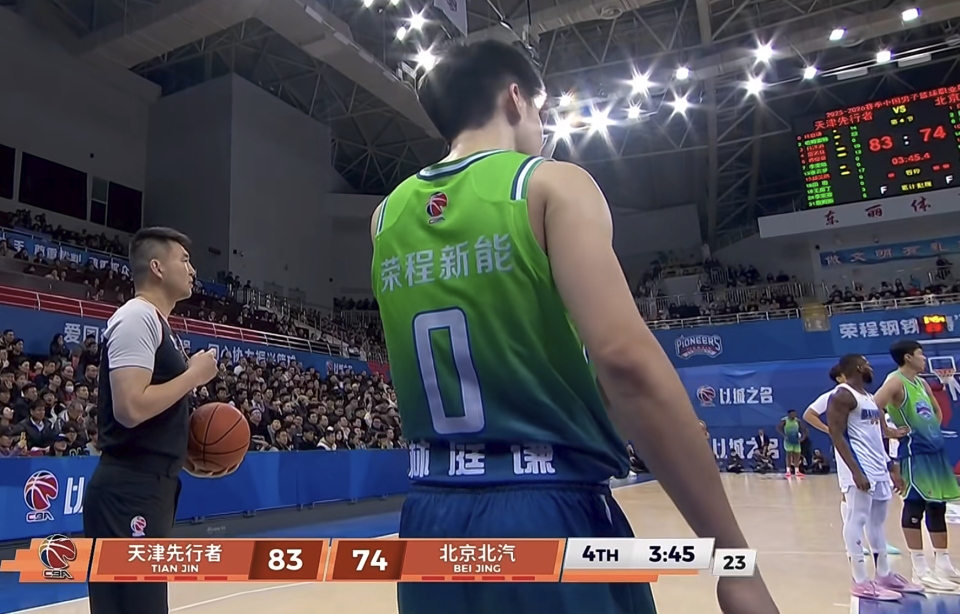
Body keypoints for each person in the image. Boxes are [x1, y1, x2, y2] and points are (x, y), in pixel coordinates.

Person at [370, 39, 777, 614]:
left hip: (428, 520)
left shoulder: (385, 217)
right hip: (547, 510)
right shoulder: (549, 184)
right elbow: (625, 365)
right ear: (516, 98)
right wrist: (733, 559)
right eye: (540, 110)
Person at [83, 228, 229, 614]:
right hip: (128, 491)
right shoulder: (136, 317)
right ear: (157, 267)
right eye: (185, 260)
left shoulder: (159, 324)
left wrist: (185, 458)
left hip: (148, 487)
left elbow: (152, 417)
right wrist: (194, 375)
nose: (193, 270)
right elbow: (130, 409)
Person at [826, 354, 921, 600]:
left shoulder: (868, 397)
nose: (870, 367)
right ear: (859, 367)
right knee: (856, 519)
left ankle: (884, 574)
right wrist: (856, 471)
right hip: (859, 469)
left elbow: (876, 437)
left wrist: (890, 466)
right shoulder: (842, 395)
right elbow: (836, 434)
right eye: (866, 364)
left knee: (877, 523)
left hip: (878, 468)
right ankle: (860, 581)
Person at [873, 340, 960, 591]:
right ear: (908, 357)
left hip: (935, 452)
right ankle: (919, 569)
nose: (924, 359)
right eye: (921, 355)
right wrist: (888, 431)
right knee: (915, 504)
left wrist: (931, 429)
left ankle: (943, 563)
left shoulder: (921, 383)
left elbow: (936, 411)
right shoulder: (895, 381)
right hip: (914, 454)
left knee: (938, 505)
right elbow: (874, 405)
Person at [805, 364, 901, 555]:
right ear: (840, 377)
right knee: (850, 495)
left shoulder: (866, 396)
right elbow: (809, 414)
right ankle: (854, 545)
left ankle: (876, 540)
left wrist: (888, 432)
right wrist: (831, 431)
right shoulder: (836, 395)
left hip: (872, 454)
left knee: (875, 504)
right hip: (850, 451)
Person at [777, 409, 807, 477]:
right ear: (789, 414)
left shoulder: (797, 421)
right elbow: (778, 428)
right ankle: (788, 471)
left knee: (797, 455)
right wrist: (784, 435)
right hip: (788, 440)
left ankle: (797, 471)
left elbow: (805, 429)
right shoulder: (784, 420)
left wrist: (803, 438)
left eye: (794, 414)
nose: (794, 415)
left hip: (796, 440)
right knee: (789, 455)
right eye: (792, 414)